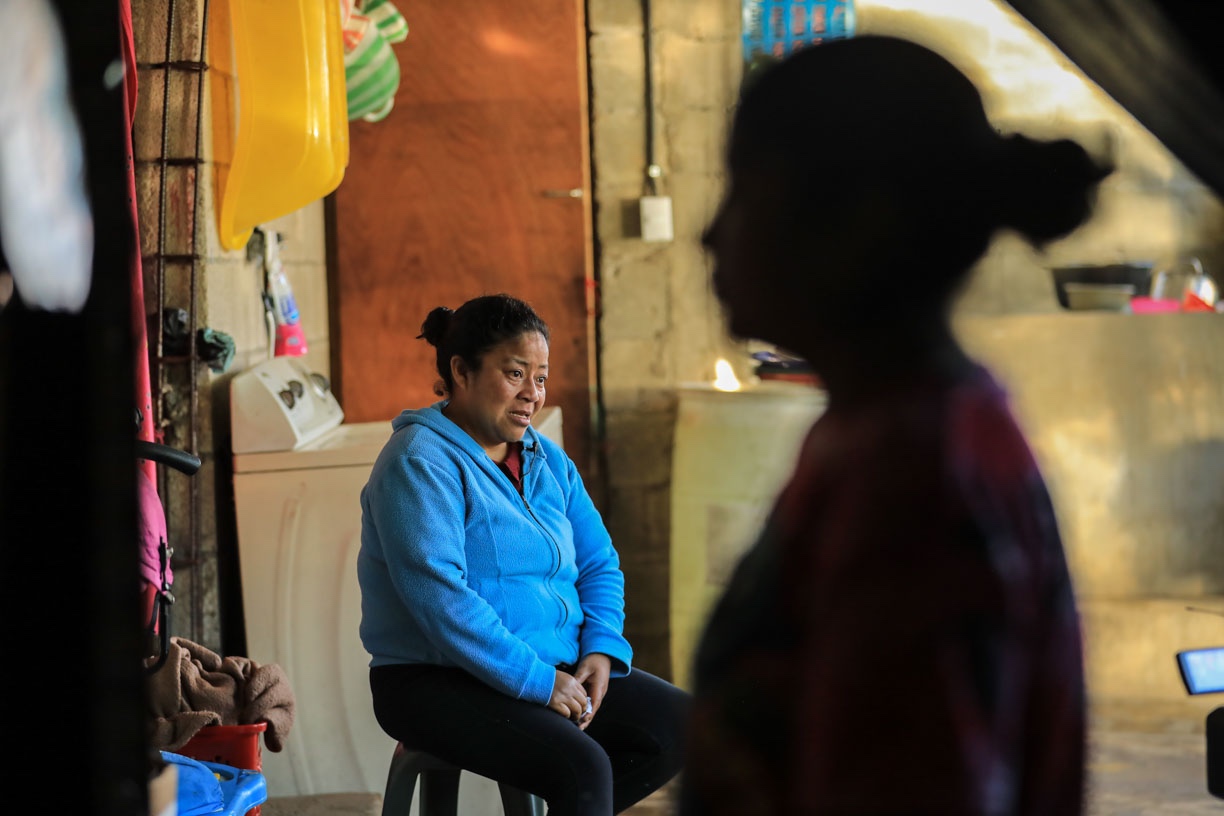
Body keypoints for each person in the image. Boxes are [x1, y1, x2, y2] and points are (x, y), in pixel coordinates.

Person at [680, 36, 1111, 815]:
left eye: (744, 192)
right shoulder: (898, 428)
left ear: (858, 221)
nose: (709, 236)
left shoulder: (909, 481)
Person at [358, 293, 689, 816]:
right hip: (433, 679)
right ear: (461, 371)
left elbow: (599, 561)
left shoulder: (545, 459)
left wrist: (600, 648)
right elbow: (441, 599)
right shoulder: (419, 461)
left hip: (551, 662)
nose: (532, 394)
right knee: (582, 766)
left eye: (540, 377)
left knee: (681, 728)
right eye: (515, 374)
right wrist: (537, 681)